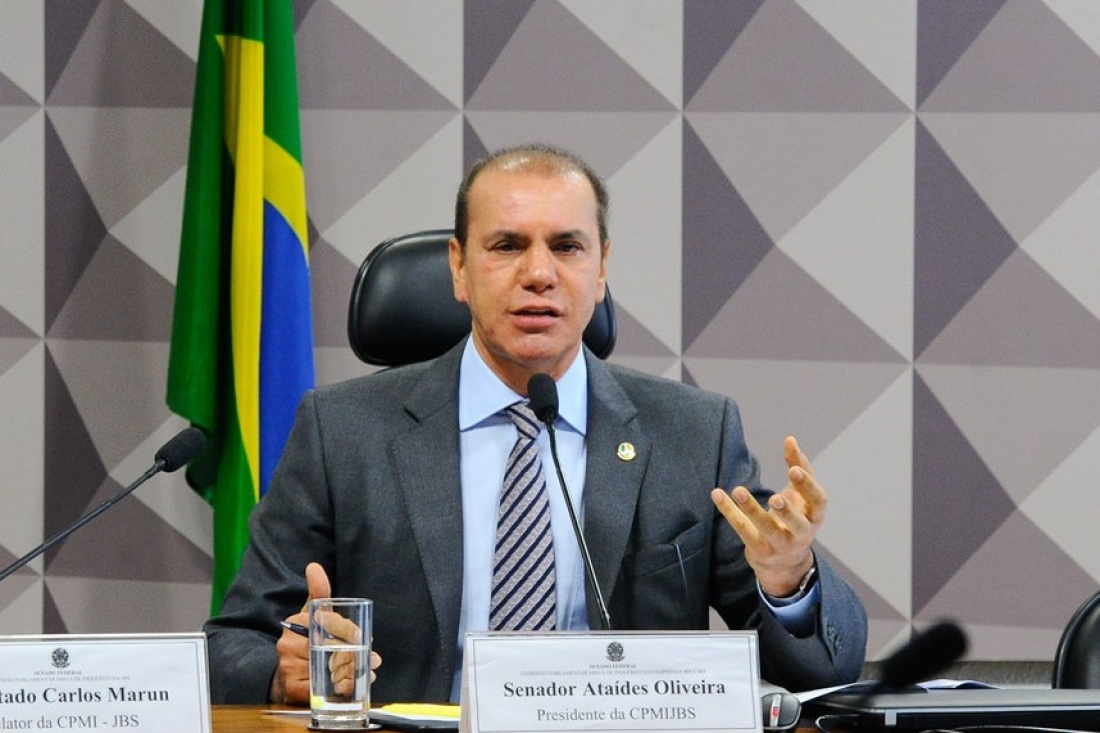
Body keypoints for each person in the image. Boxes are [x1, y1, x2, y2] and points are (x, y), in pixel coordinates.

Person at [204, 143, 868, 705]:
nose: (540, 274)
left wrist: (788, 578)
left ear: (601, 269)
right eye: (507, 245)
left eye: (567, 247)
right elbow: (232, 644)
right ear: (459, 267)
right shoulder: (343, 432)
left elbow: (823, 669)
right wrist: (285, 672)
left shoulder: (693, 433)